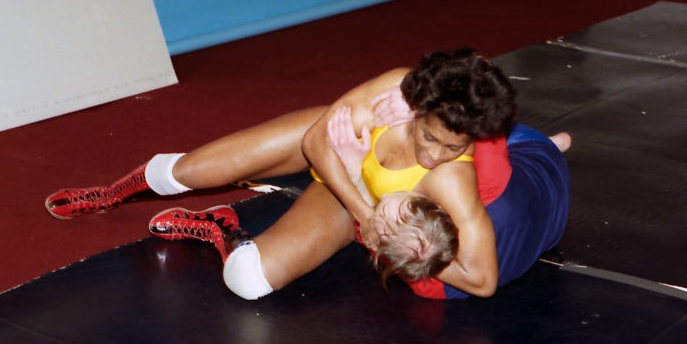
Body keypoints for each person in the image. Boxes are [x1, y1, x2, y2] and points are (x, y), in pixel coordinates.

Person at [45, 48, 517, 300]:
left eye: (453, 147)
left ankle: (219, 227)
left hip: (344, 197)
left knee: (249, 281)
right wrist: (366, 210)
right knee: (191, 169)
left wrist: (387, 233)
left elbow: (483, 281)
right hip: (325, 146)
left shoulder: (453, 180)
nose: (435, 155)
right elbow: (316, 143)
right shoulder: (396, 89)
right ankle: (113, 192)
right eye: (429, 137)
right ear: (419, 108)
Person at [326, 102, 571, 299]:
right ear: (436, 205)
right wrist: (415, 107)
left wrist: (354, 169)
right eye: (391, 199)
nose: (384, 195)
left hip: (552, 223)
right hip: (537, 159)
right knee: (466, 129)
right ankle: (550, 143)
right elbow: (481, 103)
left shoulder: (426, 284)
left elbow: (373, 228)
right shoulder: (477, 184)